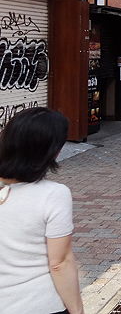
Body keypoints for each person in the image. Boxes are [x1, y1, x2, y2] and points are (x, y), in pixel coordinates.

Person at [0, 108, 84, 314]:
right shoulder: (54, 194)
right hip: (39, 304)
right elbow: (60, 263)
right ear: (52, 151)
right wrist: (77, 311)